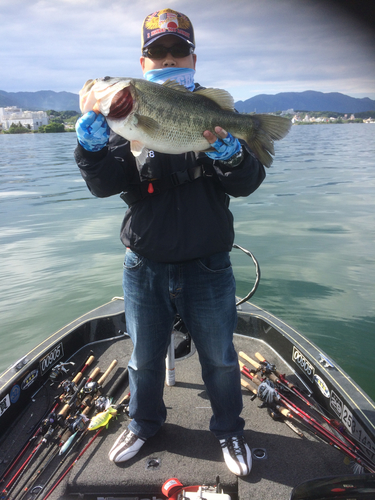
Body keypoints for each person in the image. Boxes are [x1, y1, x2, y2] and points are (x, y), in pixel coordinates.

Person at [74, 8, 266, 477]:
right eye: (156, 51)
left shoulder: (213, 111)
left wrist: (236, 154)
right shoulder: (125, 116)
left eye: (177, 49)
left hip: (209, 264)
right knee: (141, 357)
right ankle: (143, 423)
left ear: (193, 58)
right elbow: (104, 185)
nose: (167, 58)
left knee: (221, 359)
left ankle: (229, 429)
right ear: (142, 65)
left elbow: (246, 183)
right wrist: (90, 149)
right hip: (145, 264)